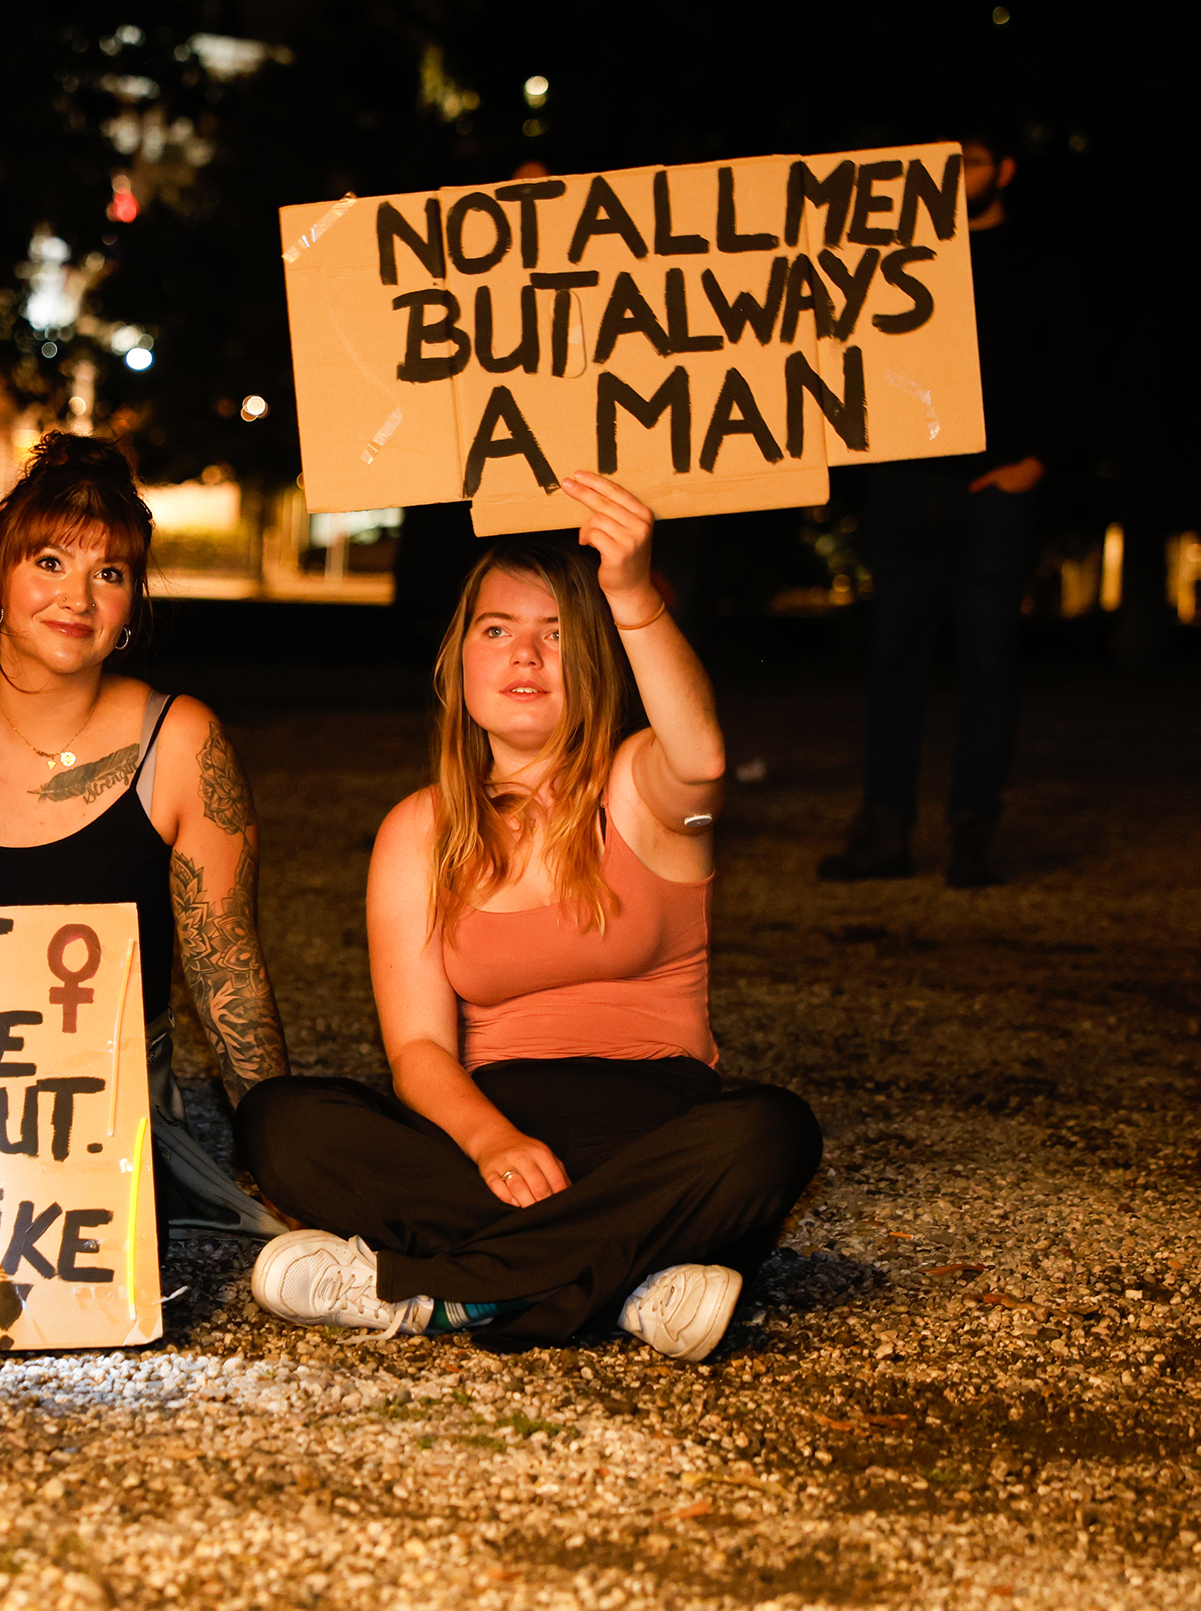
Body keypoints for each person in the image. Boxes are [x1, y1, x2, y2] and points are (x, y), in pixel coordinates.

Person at [234, 478, 821, 1356]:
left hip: (651, 1133)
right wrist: (493, 1141)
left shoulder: (643, 790)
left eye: (556, 634)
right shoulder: (418, 829)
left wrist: (632, 594)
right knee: (279, 1120)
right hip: (491, 1139)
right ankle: (630, 1281)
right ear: (459, 661)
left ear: (595, 661)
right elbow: (419, 1050)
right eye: (497, 629)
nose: (526, 655)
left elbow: (702, 757)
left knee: (772, 1131)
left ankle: (436, 1290)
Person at [0, 432, 287, 1240]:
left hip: (101, 1105)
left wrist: (281, 1154)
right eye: (49, 562)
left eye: (109, 573)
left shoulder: (182, 743)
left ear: (130, 606)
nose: (78, 597)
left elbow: (229, 979)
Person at [819, 126, 1090, 888]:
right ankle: (884, 830)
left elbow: (1073, 368)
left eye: (969, 162)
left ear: (1004, 170)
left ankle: (973, 831)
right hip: (905, 487)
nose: (955, 175)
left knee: (988, 661)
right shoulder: (896, 259)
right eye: (945, 163)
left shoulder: (1038, 261)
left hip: (992, 490)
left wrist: (1033, 463)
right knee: (892, 660)